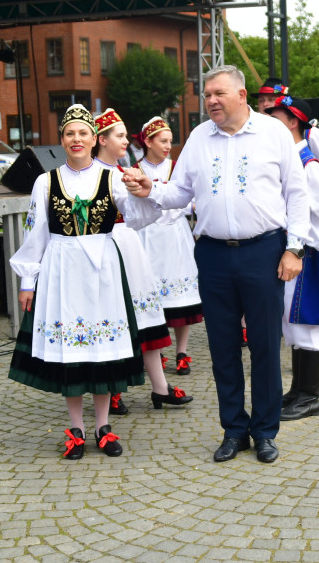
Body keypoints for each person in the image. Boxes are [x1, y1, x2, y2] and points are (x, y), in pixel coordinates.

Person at [123, 65, 310, 465]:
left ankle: (264, 432)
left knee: (263, 346)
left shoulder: (273, 133)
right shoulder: (198, 137)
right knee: (223, 348)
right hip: (212, 254)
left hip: (264, 251)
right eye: (207, 94)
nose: (210, 101)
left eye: (218, 93)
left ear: (241, 96)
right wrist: (150, 188)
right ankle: (233, 430)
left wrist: (295, 248)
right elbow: (180, 192)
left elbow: (297, 194)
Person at [7, 105, 159, 460]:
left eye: (83, 133)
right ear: (62, 140)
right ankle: (75, 427)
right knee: (70, 351)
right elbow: (36, 234)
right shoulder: (46, 181)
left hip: (103, 268)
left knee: (102, 348)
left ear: (95, 139)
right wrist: (28, 279)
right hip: (62, 268)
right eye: (69, 133)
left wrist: (142, 192)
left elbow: (141, 216)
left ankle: (102, 426)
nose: (76, 139)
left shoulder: (113, 178)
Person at [93, 109, 193, 414]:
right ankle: (112, 390)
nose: (126, 140)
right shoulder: (94, 175)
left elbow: (144, 215)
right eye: (120, 135)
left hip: (130, 248)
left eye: (125, 135)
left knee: (146, 320)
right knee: (114, 321)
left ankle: (159, 389)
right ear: (102, 140)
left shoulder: (122, 172)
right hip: (105, 250)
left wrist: (149, 193)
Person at [264, 96, 319, 421]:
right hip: (295, 250)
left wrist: (306, 243)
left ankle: (310, 397)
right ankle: (298, 391)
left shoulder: (307, 164)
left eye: (277, 117)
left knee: (306, 323)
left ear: (293, 122)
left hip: (307, 253)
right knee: (294, 323)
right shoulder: (289, 160)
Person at [135, 116, 203, 376]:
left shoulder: (177, 168)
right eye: (163, 141)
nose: (167, 146)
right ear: (148, 141)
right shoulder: (135, 170)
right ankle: (158, 351)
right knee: (155, 298)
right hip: (148, 238)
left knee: (181, 299)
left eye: (170, 141)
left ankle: (182, 351)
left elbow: (190, 199)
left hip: (176, 237)